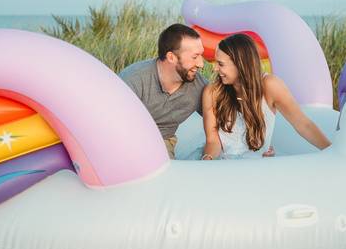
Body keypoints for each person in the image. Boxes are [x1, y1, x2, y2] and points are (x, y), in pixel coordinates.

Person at [200, 33, 331, 160]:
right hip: (223, 165)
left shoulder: (270, 86)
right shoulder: (212, 92)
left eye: (221, 64)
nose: (215, 69)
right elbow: (212, 142)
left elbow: (303, 124)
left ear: (240, 64)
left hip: (258, 166)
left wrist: (331, 151)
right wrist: (207, 160)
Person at [120, 24, 207, 159]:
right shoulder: (133, 80)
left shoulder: (199, 86)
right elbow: (111, 124)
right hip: (126, 140)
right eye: (195, 57)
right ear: (171, 57)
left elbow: (223, 116)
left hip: (163, 142)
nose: (201, 64)